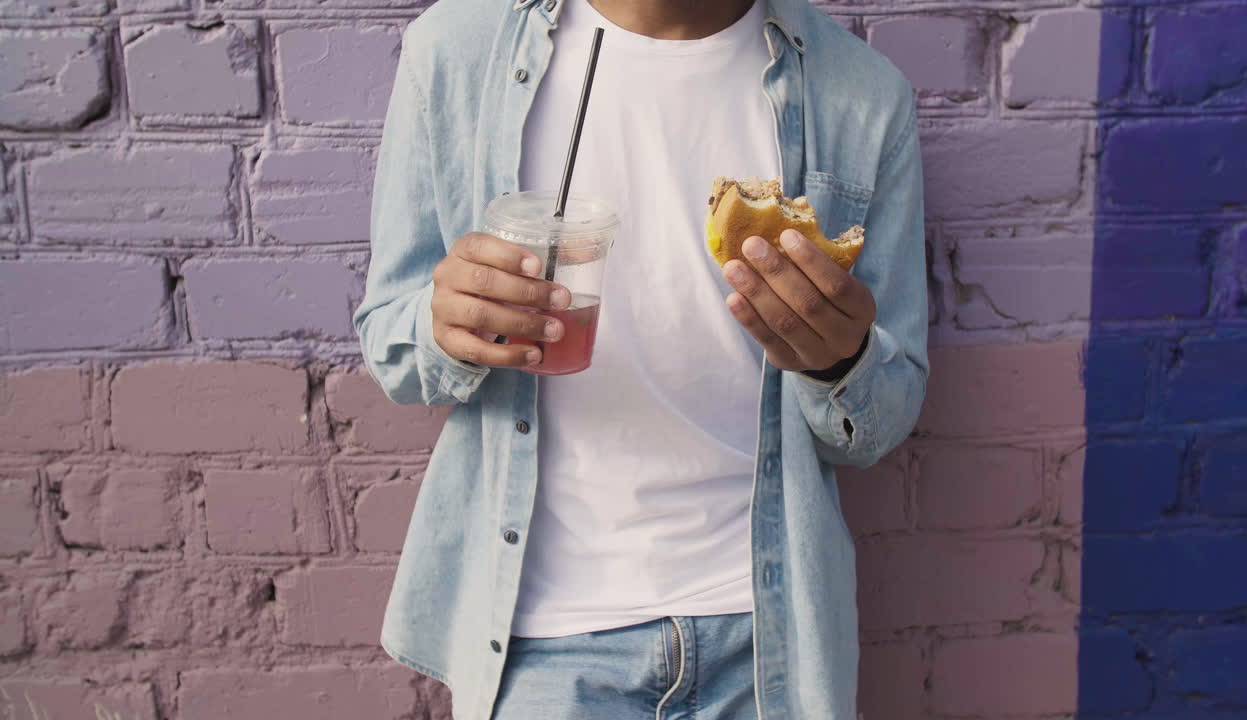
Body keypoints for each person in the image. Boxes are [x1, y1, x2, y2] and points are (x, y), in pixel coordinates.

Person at [353, 0, 927, 717]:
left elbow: (888, 409)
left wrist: (840, 363)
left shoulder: (864, 96)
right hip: (544, 639)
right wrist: (445, 325)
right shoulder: (457, 53)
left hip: (768, 636)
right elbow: (391, 342)